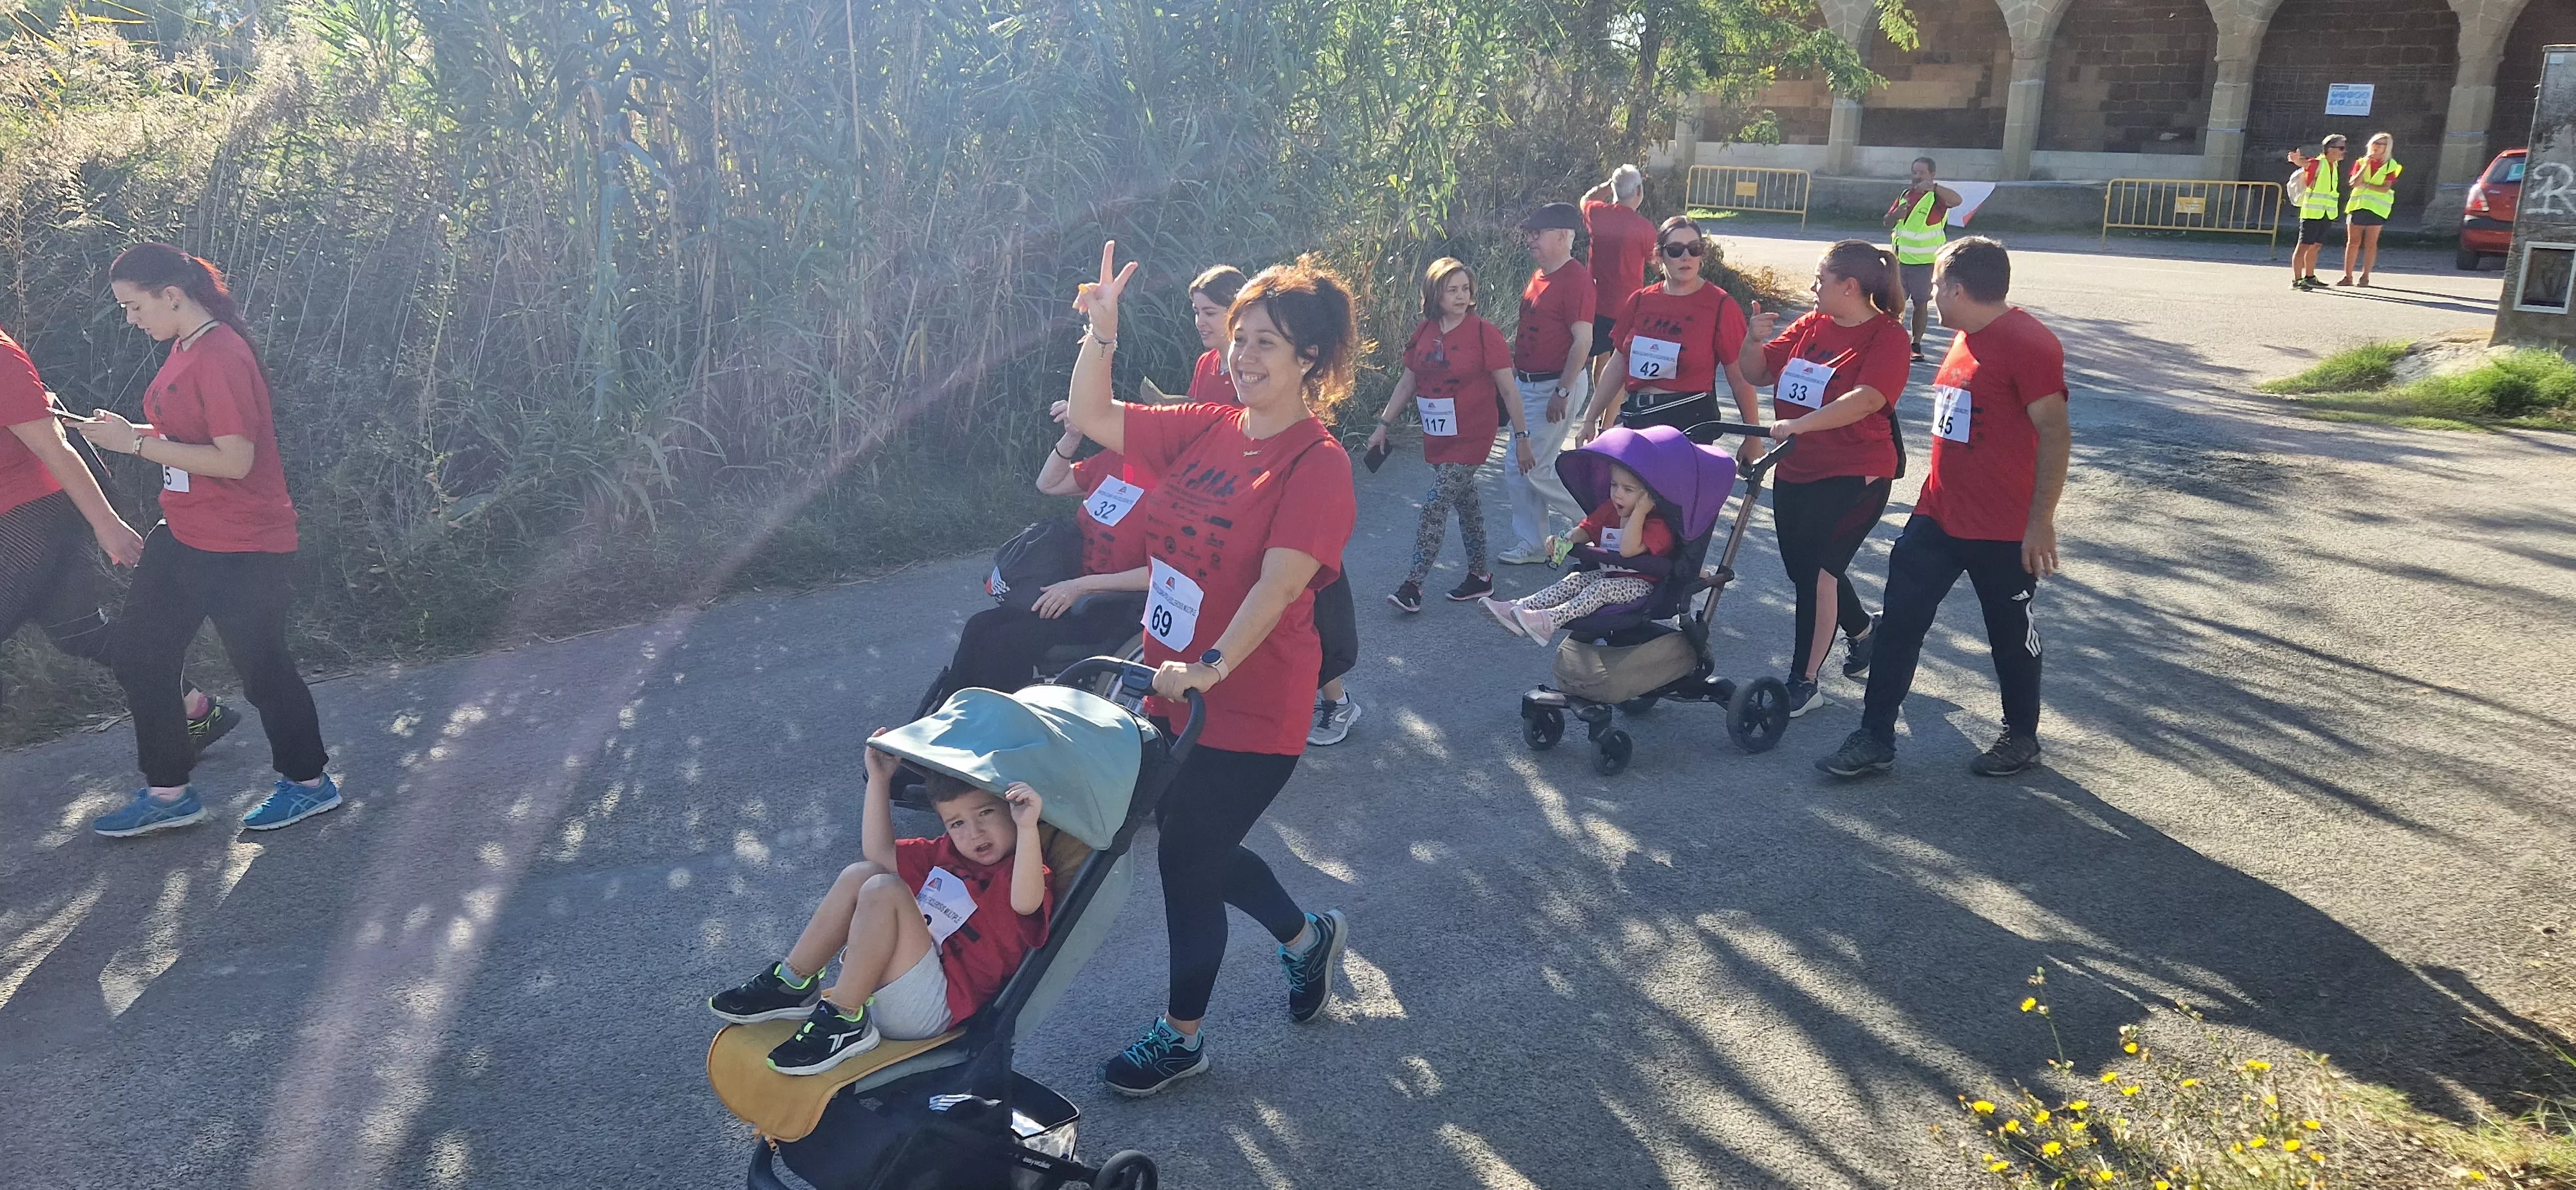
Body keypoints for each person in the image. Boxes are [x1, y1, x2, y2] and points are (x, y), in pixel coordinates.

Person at [1064, 242, 1356, 1097]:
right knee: (1200, 847)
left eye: (1268, 341)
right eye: (1241, 336)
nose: (1245, 354)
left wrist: (1211, 666)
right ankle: (1305, 940)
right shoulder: (1205, 424)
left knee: (1186, 854)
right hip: (1172, 689)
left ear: (1309, 358)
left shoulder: (1317, 463)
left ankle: (1182, 1037)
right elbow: (1092, 412)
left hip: (1253, 703)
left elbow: (1279, 585)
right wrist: (1103, 333)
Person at [80, 244, 339, 838]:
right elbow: (189, 434)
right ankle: (169, 794)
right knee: (140, 655)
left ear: (172, 295)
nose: (129, 318)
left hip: (244, 544)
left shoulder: (220, 353)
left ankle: (309, 784)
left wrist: (137, 447)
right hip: (185, 532)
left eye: (133, 305)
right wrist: (126, 433)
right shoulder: (186, 344)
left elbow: (234, 459)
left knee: (262, 668)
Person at [1816, 236, 2069, 780]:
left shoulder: (2030, 343)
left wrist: (2040, 521)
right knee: (1900, 621)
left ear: (1957, 288)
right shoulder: (1962, 338)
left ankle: (2021, 736)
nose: (1926, 292)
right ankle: (1874, 736)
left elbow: (2055, 433)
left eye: (1933, 284)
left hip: (2004, 526)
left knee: (2009, 630)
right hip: (1939, 514)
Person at [708, 726, 1050, 1075]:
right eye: (957, 823)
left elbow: (1025, 904)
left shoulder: (1024, 874)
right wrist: (879, 780)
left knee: (885, 889)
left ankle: (843, 1018)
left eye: (986, 814)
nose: (973, 832)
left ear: (1011, 809)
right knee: (864, 872)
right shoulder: (947, 854)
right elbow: (879, 854)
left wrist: (1027, 829)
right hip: (893, 984)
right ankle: (792, 983)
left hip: (934, 1008)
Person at [1, 321, 234, 746]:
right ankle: (196, 712)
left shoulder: (1, 358)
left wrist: (107, 525)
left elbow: (56, 447)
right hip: (25, 515)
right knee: (78, 632)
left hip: (30, 513)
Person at [1736, 240, 1913, 717]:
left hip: (1857, 471)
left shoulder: (1887, 337)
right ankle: (1863, 632)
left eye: (1820, 281)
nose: (1812, 289)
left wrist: (1798, 425)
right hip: (1798, 465)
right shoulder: (1812, 324)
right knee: (1807, 571)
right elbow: (1756, 372)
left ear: (1849, 287)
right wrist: (1752, 340)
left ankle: (1805, 681)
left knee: (1817, 574)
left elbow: (1868, 398)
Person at [1188, 264, 1359, 746]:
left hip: (1283, 509)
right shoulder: (1207, 367)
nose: (1204, 324)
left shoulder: (1319, 461)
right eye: (1198, 314)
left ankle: (1335, 700)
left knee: (1308, 613)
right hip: (1229, 508)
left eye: (1212, 313)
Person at [929, 401, 1153, 700]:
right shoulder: (1115, 461)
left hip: (1106, 606)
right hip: (1064, 591)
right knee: (979, 626)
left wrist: (1080, 588)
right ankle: (949, 715)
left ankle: (995, 723)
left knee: (1005, 643)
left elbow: (1159, 573)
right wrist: (1072, 439)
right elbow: (1048, 483)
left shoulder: (1169, 486)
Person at [1364, 258, 1529, 612]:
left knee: (1436, 504)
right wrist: (1384, 424)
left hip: (1472, 433)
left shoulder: (1486, 333)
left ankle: (1413, 586)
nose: (1460, 296)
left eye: (1465, 289)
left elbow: (1509, 389)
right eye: (1451, 289)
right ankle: (1480, 578)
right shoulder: (1424, 331)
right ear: (1434, 293)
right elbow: (1408, 380)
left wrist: (1523, 437)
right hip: (1437, 432)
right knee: (1466, 504)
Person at [1580, 216, 1761, 449]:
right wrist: (1590, 418)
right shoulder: (1640, 300)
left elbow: (1739, 378)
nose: (1686, 257)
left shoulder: (1720, 305)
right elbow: (1618, 364)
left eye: (1694, 249)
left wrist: (1752, 437)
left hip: (1689, 423)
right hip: (1639, 418)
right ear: (1659, 255)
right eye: (1675, 250)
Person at [1477, 460, 1676, 644]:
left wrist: (1640, 511)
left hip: (1642, 584)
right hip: (1611, 574)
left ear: (1648, 496)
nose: (1618, 494)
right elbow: (1587, 530)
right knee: (1574, 580)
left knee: (1601, 589)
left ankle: (1549, 621)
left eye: (1628, 489)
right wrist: (1564, 540)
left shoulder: (1657, 525)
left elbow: (1628, 550)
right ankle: (1518, 608)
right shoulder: (1610, 509)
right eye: (1614, 485)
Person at [1498, 203, 1595, 567]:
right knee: (1517, 465)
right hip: (1527, 385)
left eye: (1536, 234)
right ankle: (1535, 544)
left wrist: (1563, 392)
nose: (1529, 240)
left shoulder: (1576, 279)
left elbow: (1582, 342)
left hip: (1555, 386)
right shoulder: (1540, 274)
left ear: (1563, 236)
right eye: (1529, 234)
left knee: (1535, 467)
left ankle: (1598, 522)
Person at [1581, 166, 1656, 406]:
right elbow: (1656, 263)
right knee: (1619, 365)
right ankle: (1606, 423)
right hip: (1626, 307)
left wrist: (1609, 183)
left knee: (1600, 358)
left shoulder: (1597, 213)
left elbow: (1587, 198)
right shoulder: (1644, 228)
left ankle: (1596, 406)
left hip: (1595, 302)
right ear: (1639, 191)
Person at [1884, 156, 1962, 362]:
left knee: (1920, 304)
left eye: (1921, 173)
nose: (1916, 177)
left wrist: (1934, 188)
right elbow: (1887, 221)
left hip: (1924, 264)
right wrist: (1895, 216)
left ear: (1932, 175)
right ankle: (1891, 343)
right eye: (1914, 172)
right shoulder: (1905, 195)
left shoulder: (1936, 198)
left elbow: (1958, 200)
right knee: (1894, 305)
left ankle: (1915, 344)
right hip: (1900, 262)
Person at [2338, 133, 2401, 287]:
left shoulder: (2391, 165)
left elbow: (2385, 188)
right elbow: (2354, 183)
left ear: (2388, 147)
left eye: (2382, 144)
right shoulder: (2361, 162)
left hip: (2377, 208)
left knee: (2370, 243)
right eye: (2376, 143)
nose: (2378, 146)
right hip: (2358, 206)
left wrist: (2366, 186)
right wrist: (2366, 165)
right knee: (2352, 243)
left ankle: (2365, 276)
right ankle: (2348, 276)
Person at [2291, 135, 2348, 292]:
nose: (2344, 152)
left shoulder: (2334, 166)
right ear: (2330, 149)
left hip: (2326, 213)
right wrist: (2297, 160)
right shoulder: (2319, 163)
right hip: (2312, 213)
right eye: (2341, 148)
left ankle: (2310, 277)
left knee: (2316, 246)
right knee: (2303, 247)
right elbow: (2305, 163)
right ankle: (2296, 280)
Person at [1186, 265, 1245, 402]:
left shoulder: (1253, 367)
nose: (1200, 322)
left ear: (1236, 313)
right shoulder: (1205, 362)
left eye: (1210, 313)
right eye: (1197, 313)